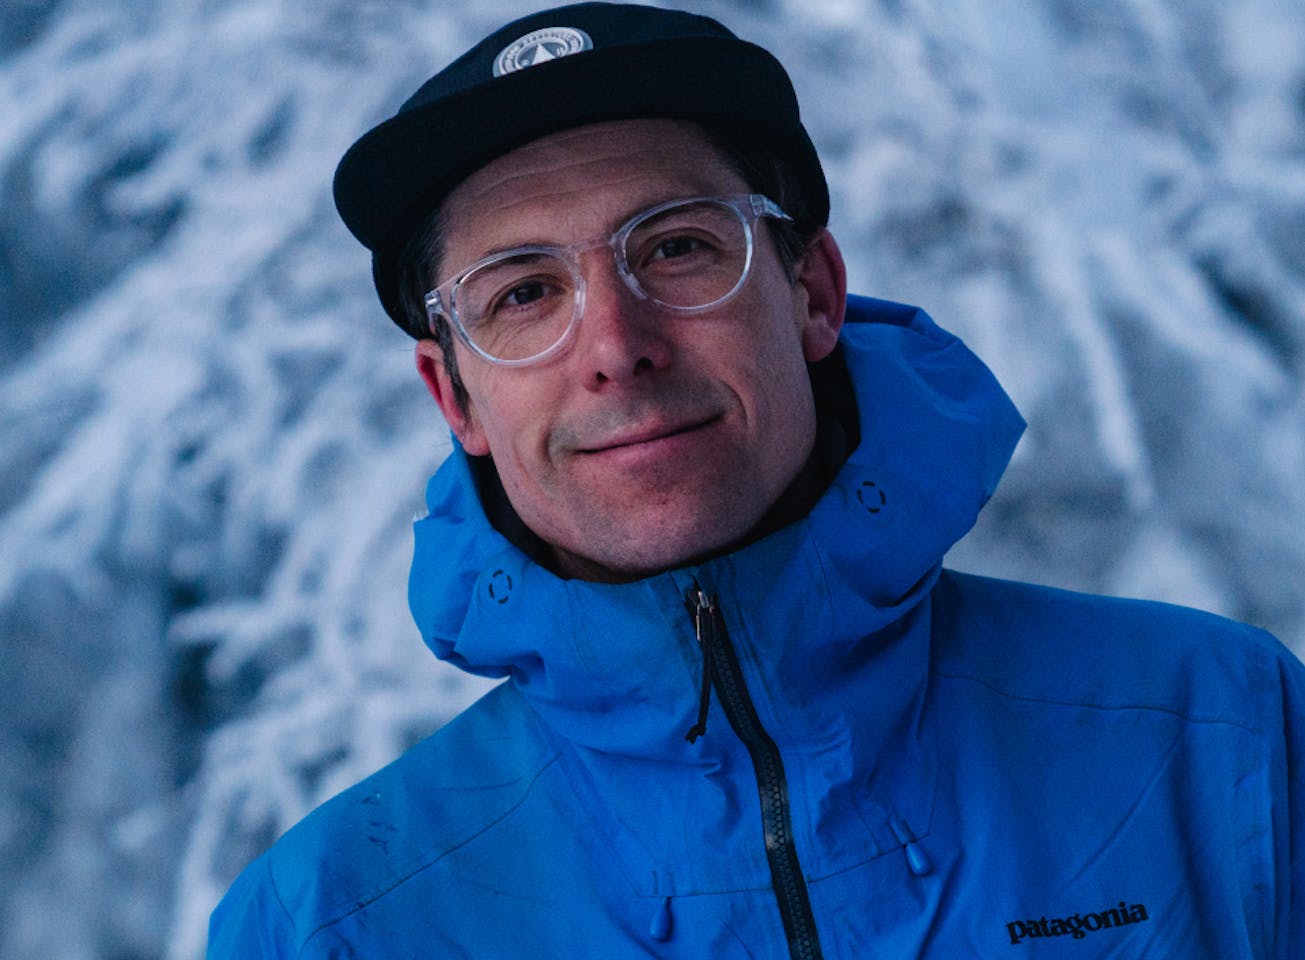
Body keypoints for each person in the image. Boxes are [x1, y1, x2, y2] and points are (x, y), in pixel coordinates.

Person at [208, 4, 1305, 957]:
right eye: (523, 293)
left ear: (815, 293)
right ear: (455, 402)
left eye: (677, 249)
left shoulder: (1220, 736)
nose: (615, 345)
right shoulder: (329, 923)